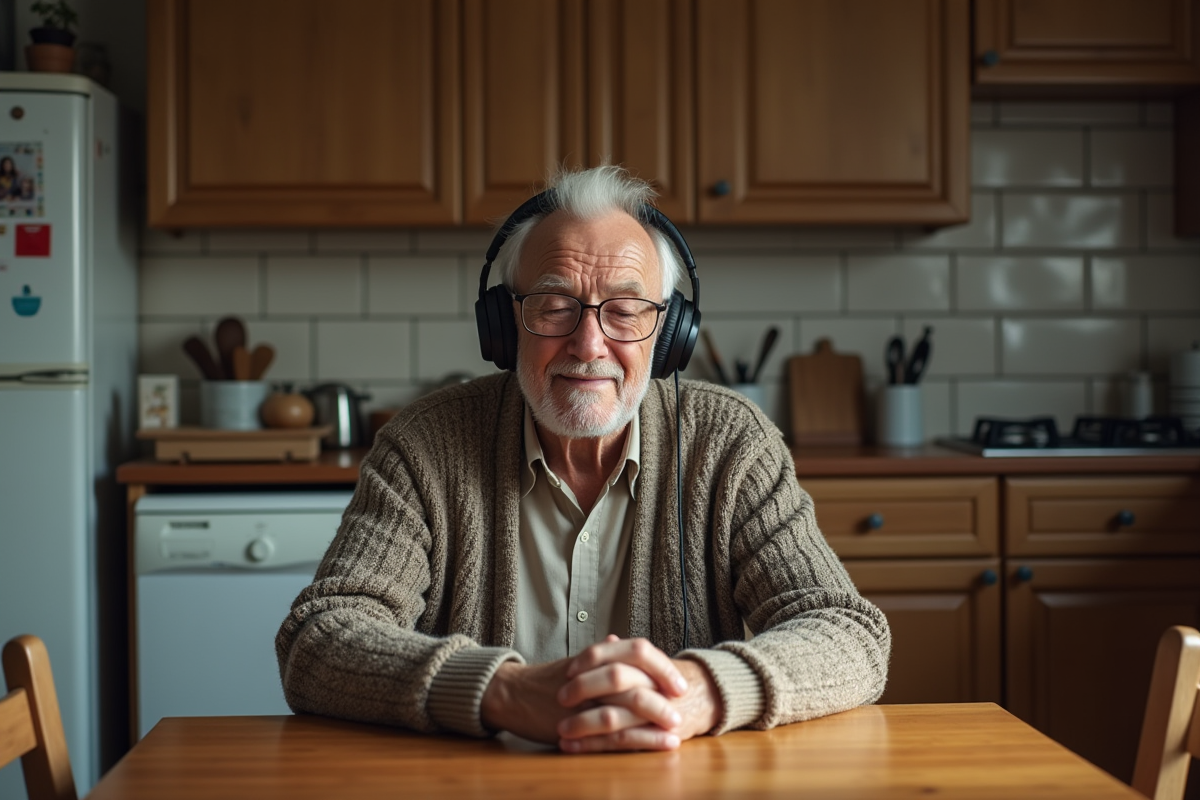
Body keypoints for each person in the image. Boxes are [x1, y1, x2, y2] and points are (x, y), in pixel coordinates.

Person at [275, 165, 890, 754]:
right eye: (554, 305)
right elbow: (319, 638)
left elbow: (848, 632)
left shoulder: (731, 444)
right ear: (505, 323)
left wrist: (700, 692)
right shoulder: (425, 443)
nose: (589, 344)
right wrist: (504, 691)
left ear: (670, 332)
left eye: (626, 310)